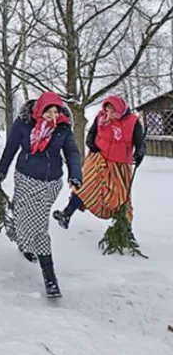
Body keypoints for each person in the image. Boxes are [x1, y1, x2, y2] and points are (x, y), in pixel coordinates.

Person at [0, 92, 82, 298]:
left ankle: (50, 278)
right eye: (48, 111)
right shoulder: (24, 123)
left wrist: (75, 175)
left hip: (50, 182)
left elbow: (72, 152)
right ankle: (24, 242)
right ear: (40, 110)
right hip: (25, 177)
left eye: (56, 112)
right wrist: (2, 170)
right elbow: (11, 147)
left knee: (38, 225)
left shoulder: (62, 128)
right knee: (24, 216)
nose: (52, 116)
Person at [53, 96, 146, 246]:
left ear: (120, 109)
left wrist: (140, 153)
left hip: (120, 164)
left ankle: (126, 230)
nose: (109, 113)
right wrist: (90, 143)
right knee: (85, 184)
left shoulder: (133, 122)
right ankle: (67, 214)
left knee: (121, 197)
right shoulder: (101, 117)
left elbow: (140, 143)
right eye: (107, 109)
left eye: (112, 110)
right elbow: (92, 133)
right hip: (98, 159)